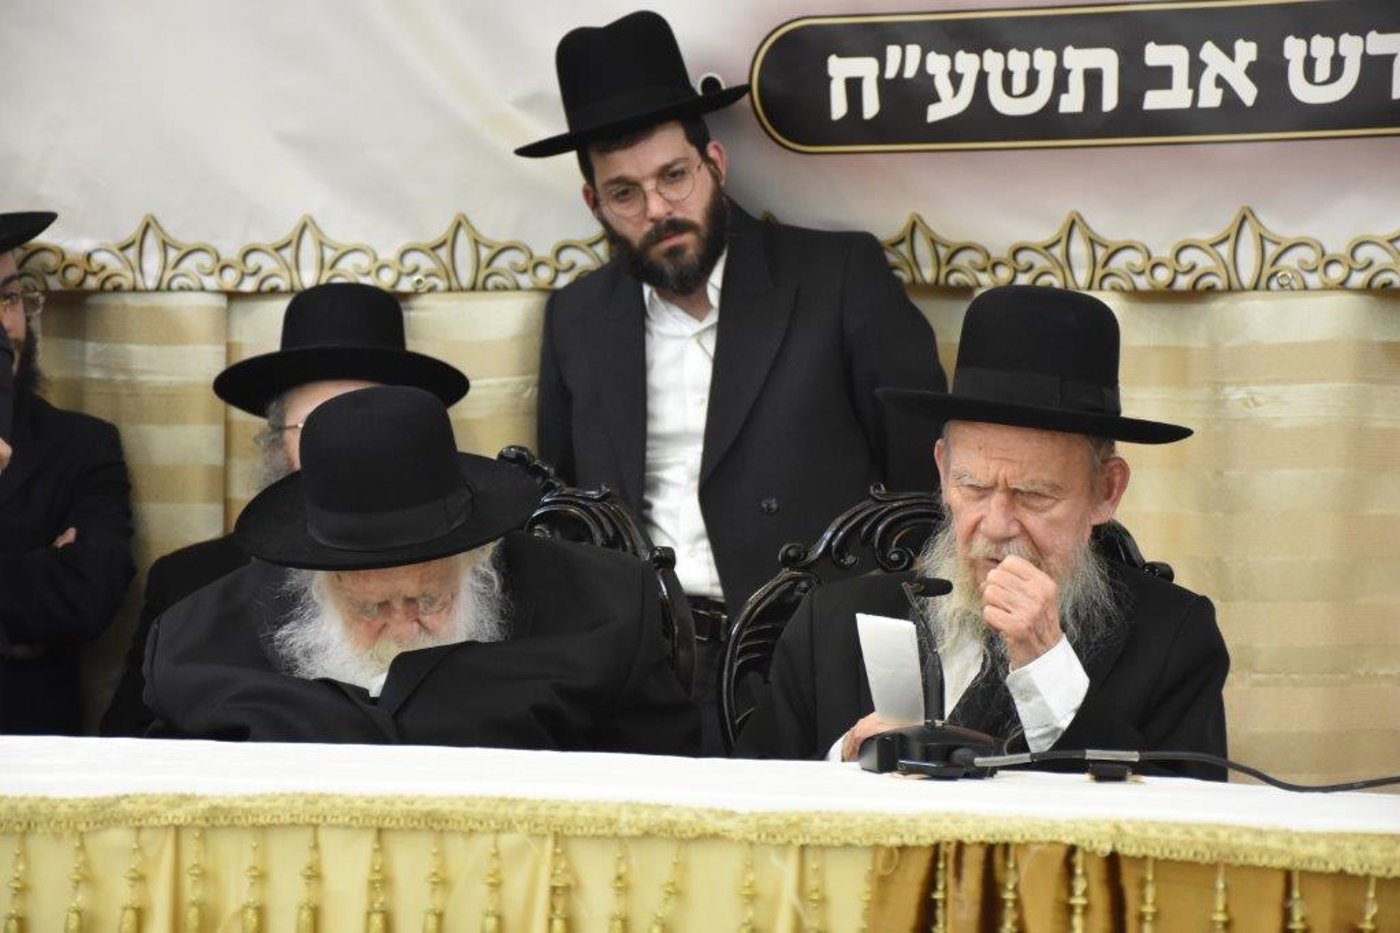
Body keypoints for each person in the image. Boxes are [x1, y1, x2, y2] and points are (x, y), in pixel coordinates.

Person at [518, 12, 946, 751]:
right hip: (639, 672)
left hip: (812, 659)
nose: (658, 210)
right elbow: (563, 514)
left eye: (673, 176)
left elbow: (925, 489)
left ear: (714, 162)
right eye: (625, 193)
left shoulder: (838, 278)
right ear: (595, 204)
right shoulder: (576, 319)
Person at [735, 286, 1230, 781]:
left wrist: (1046, 663)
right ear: (942, 469)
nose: (996, 525)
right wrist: (845, 759)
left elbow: (1184, 819)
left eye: (1034, 495)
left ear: (1106, 490)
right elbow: (746, 798)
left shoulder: (1175, 640)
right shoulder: (830, 623)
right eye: (972, 487)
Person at [143, 385, 699, 753]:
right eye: (372, 607)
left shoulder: (607, 611)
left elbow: (670, 798)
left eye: (428, 599)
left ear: (477, 558)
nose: (404, 627)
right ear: (317, 580)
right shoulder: (192, 648)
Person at [101, 281, 469, 735]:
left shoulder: (479, 577)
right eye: (318, 425)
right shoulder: (190, 585)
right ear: (277, 445)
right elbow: (131, 747)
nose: (350, 449)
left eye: (371, 421)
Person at [0, 211, 135, 734]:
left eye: (9, 298)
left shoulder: (81, 446)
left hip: (28, 751)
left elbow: (87, 600)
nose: (5, 326)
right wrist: (35, 574)